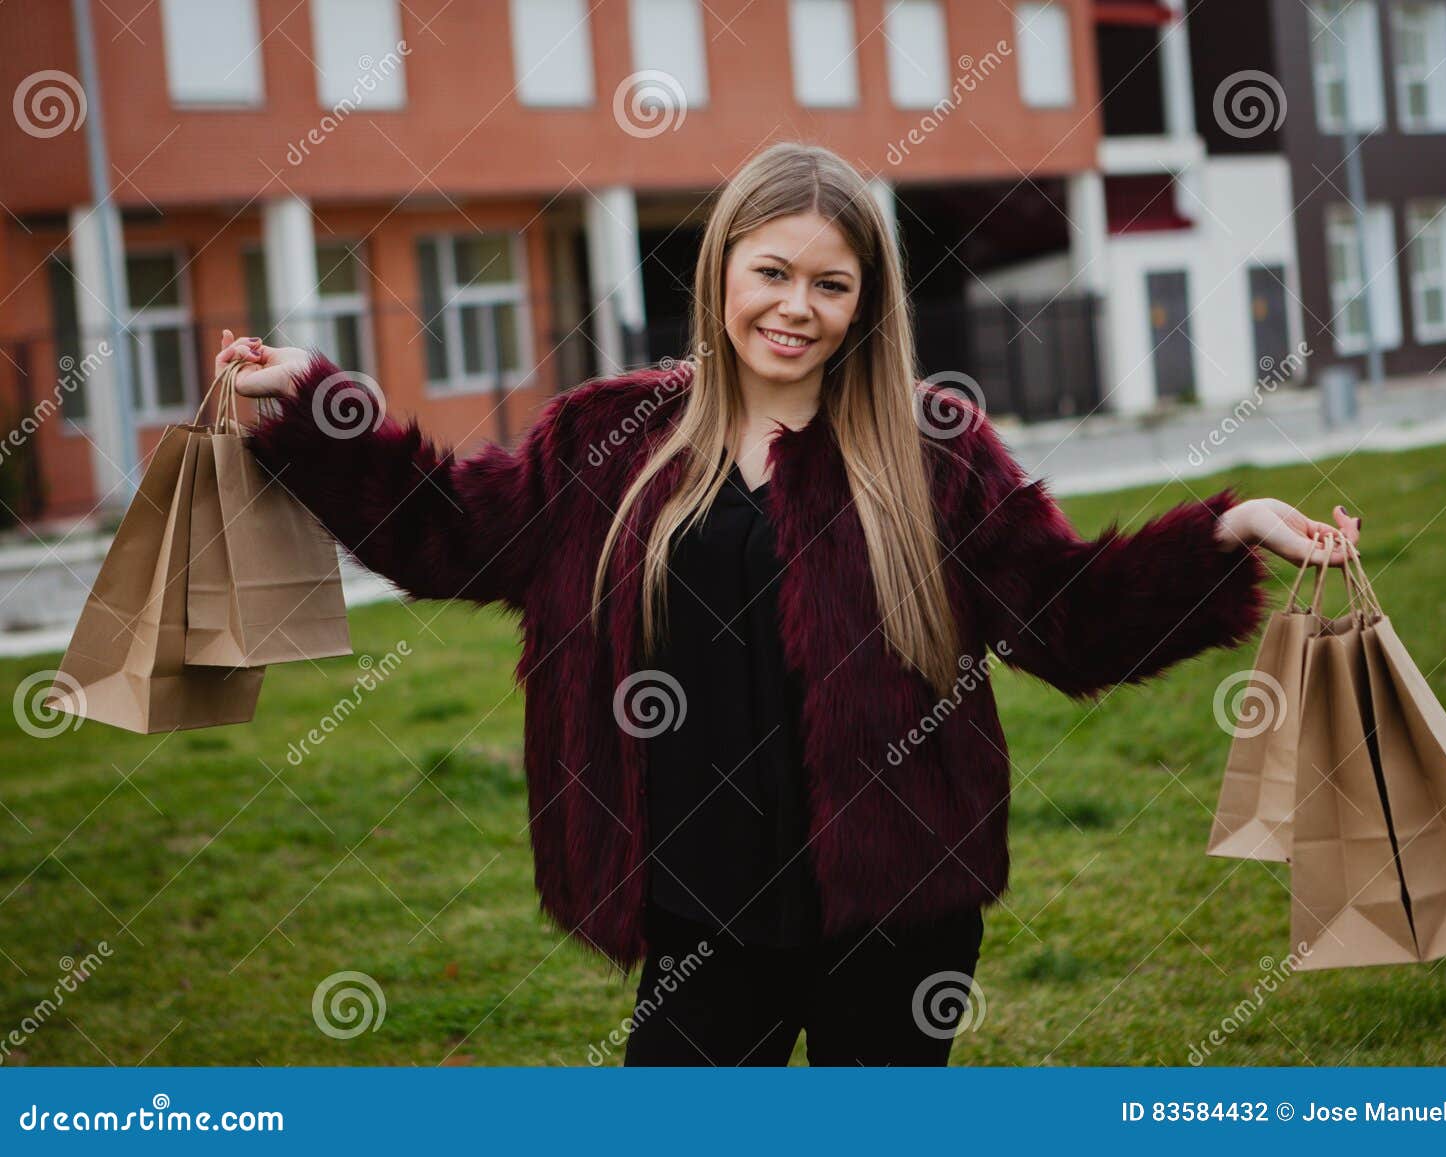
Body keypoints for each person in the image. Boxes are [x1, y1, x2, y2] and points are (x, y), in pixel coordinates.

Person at [215, 141, 1360, 1066]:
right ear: (721, 271)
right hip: (694, 910)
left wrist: (1223, 529)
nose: (796, 307)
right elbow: (449, 528)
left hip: (898, 912)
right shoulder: (607, 437)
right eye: (772, 272)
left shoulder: (933, 447)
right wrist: (317, 403)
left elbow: (1064, 614)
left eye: (830, 283)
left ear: (865, 303)